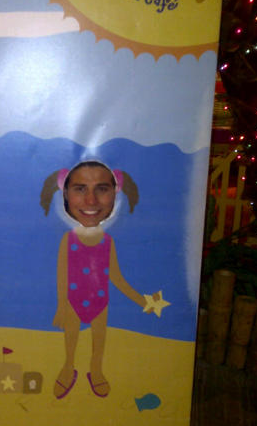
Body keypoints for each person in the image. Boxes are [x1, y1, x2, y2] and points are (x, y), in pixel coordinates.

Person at [41, 161, 169, 399]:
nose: (91, 200)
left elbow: (116, 277)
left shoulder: (107, 242)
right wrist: (61, 306)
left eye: (102, 189)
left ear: (114, 193)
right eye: (80, 189)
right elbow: (62, 275)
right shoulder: (68, 240)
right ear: (65, 194)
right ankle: (68, 367)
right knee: (71, 340)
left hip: (100, 302)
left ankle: (96, 371)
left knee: (99, 341)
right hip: (72, 302)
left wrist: (142, 300)